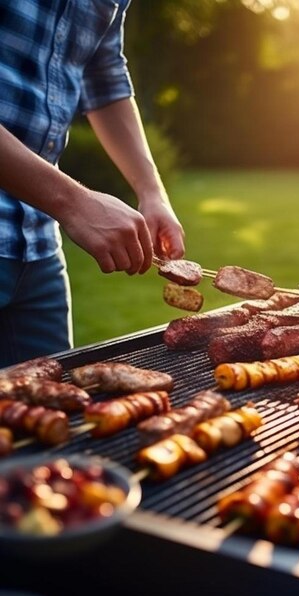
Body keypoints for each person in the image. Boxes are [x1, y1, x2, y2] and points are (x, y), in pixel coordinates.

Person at [0, 1, 185, 368]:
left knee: (51, 418)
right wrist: (74, 203)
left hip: (37, 245)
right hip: (50, 213)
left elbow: (105, 75)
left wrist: (151, 191)